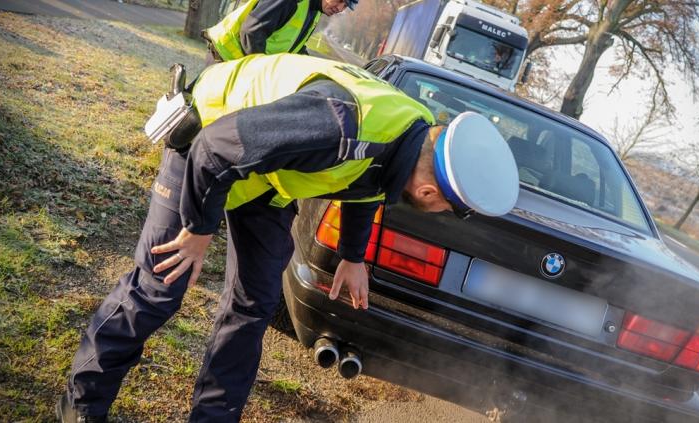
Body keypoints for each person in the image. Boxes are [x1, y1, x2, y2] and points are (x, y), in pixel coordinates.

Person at [56, 53, 519, 422]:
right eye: (445, 207)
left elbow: (367, 186)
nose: (438, 212)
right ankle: (81, 403)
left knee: (253, 306)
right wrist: (199, 231)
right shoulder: (341, 126)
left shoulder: (414, 135)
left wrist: (353, 256)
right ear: (428, 190)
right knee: (160, 285)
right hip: (204, 142)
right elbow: (214, 148)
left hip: (267, 179)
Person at [204, 0, 358, 63]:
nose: (339, 8)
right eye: (340, 0)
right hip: (226, 56)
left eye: (345, 6)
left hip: (240, 61)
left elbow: (294, 45)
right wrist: (260, 68)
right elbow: (252, 30)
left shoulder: (314, 10)